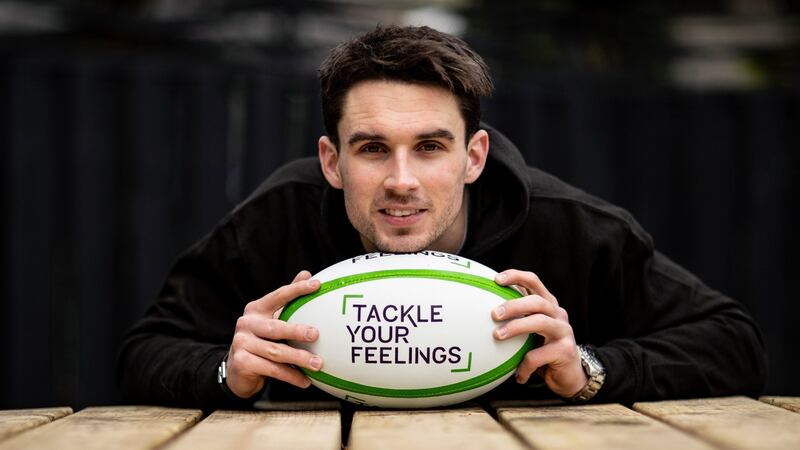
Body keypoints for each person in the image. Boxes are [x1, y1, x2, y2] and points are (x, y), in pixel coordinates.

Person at [117, 25, 766, 409]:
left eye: (430, 146)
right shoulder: (276, 221)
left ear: (473, 155)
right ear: (332, 160)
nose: (402, 181)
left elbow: (732, 343)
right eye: (372, 148)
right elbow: (143, 351)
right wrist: (227, 372)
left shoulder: (572, 228)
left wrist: (593, 369)